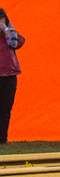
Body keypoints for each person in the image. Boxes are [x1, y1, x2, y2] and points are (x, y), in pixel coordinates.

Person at [0, 8, 25, 144]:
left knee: (5, 108)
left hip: (9, 75)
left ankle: (3, 139)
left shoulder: (9, 34)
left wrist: (6, 30)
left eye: (1, 20)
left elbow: (19, 42)